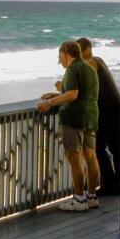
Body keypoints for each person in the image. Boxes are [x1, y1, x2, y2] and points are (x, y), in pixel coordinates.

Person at [37, 39, 102, 208]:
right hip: (91, 117)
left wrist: (49, 104)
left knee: (74, 158)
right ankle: (92, 196)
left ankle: (79, 200)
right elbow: (81, 92)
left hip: (74, 119)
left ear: (67, 54)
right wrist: (55, 95)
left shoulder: (73, 69)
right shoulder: (90, 67)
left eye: (61, 58)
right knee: (91, 156)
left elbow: (73, 95)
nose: (61, 63)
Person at [78, 37, 120, 195]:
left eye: (78, 51)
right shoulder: (99, 60)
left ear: (87, 50)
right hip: (116, 104)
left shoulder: (90, 63)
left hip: (107, 108)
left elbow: (80, 88)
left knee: (98, 147)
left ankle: (110, 184)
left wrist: (62, 89)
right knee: (116, 146)